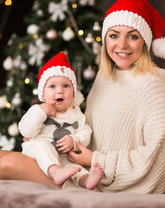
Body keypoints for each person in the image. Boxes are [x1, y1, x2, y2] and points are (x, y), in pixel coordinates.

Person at [0, 0, 165, 194]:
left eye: (133, 36)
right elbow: (84, 125)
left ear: (144, 41)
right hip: (74, 165)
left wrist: (93, 159)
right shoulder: (105, 77)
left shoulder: (154, 83)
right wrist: (43, 132)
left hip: (102, 179)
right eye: (114, 35)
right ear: (105, 39)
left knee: (2, 165)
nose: (122, 45)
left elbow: (154, 158)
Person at [18, 52, 103, 189]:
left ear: (73, 92)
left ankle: (87, 180)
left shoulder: (76, 113)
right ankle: (55, 171)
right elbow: (26, 131)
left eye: (66, 86)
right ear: (43, 94)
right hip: (36, 153)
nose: (60, 91)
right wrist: (42, 112)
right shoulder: (37, 109)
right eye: (52, 86)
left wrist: (74, 140)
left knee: (75, 168)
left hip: (64, 157)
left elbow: (85, 131)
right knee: (42, 145)